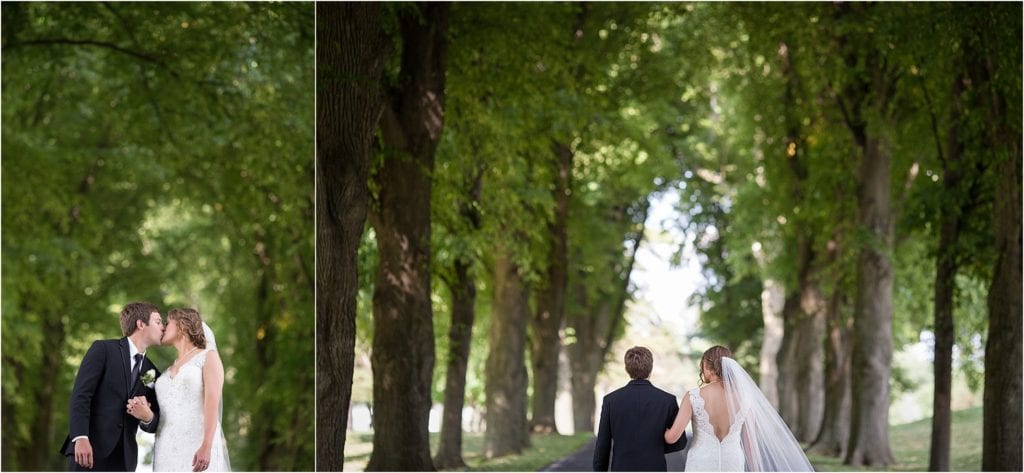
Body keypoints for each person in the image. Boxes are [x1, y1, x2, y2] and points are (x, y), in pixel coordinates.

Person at [665, 345, 814, 471]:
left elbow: (672, 438)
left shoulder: (693, 396)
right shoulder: (746, 398)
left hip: (700, 461)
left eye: (702, 365)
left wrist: (661, 428)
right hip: (733, 462)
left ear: (708, 366)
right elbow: (750, 444)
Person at [59, 302, 164, 471]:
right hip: (88, 450)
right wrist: (80, 437)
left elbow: (156, 421)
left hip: (123, 460)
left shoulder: (152, 372)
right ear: (141, 324)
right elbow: (81, 395)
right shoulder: (103, 349)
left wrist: (147, 416)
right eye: (158, 322)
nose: (163, 327)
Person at [129, 308, 231, 472]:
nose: (163, 327)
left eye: (167, 323)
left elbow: (212, 403)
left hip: (197, 443)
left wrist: (206, 445)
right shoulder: (168, 369)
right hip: (165, 447)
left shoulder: (208, 356)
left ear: (182, 325)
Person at [594, 346, 688, 471]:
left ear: (627, 369)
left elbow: (602, 445)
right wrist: (655, 448)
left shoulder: (610, 400)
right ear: (651, 368)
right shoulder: (667, 400)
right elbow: (679, 442)